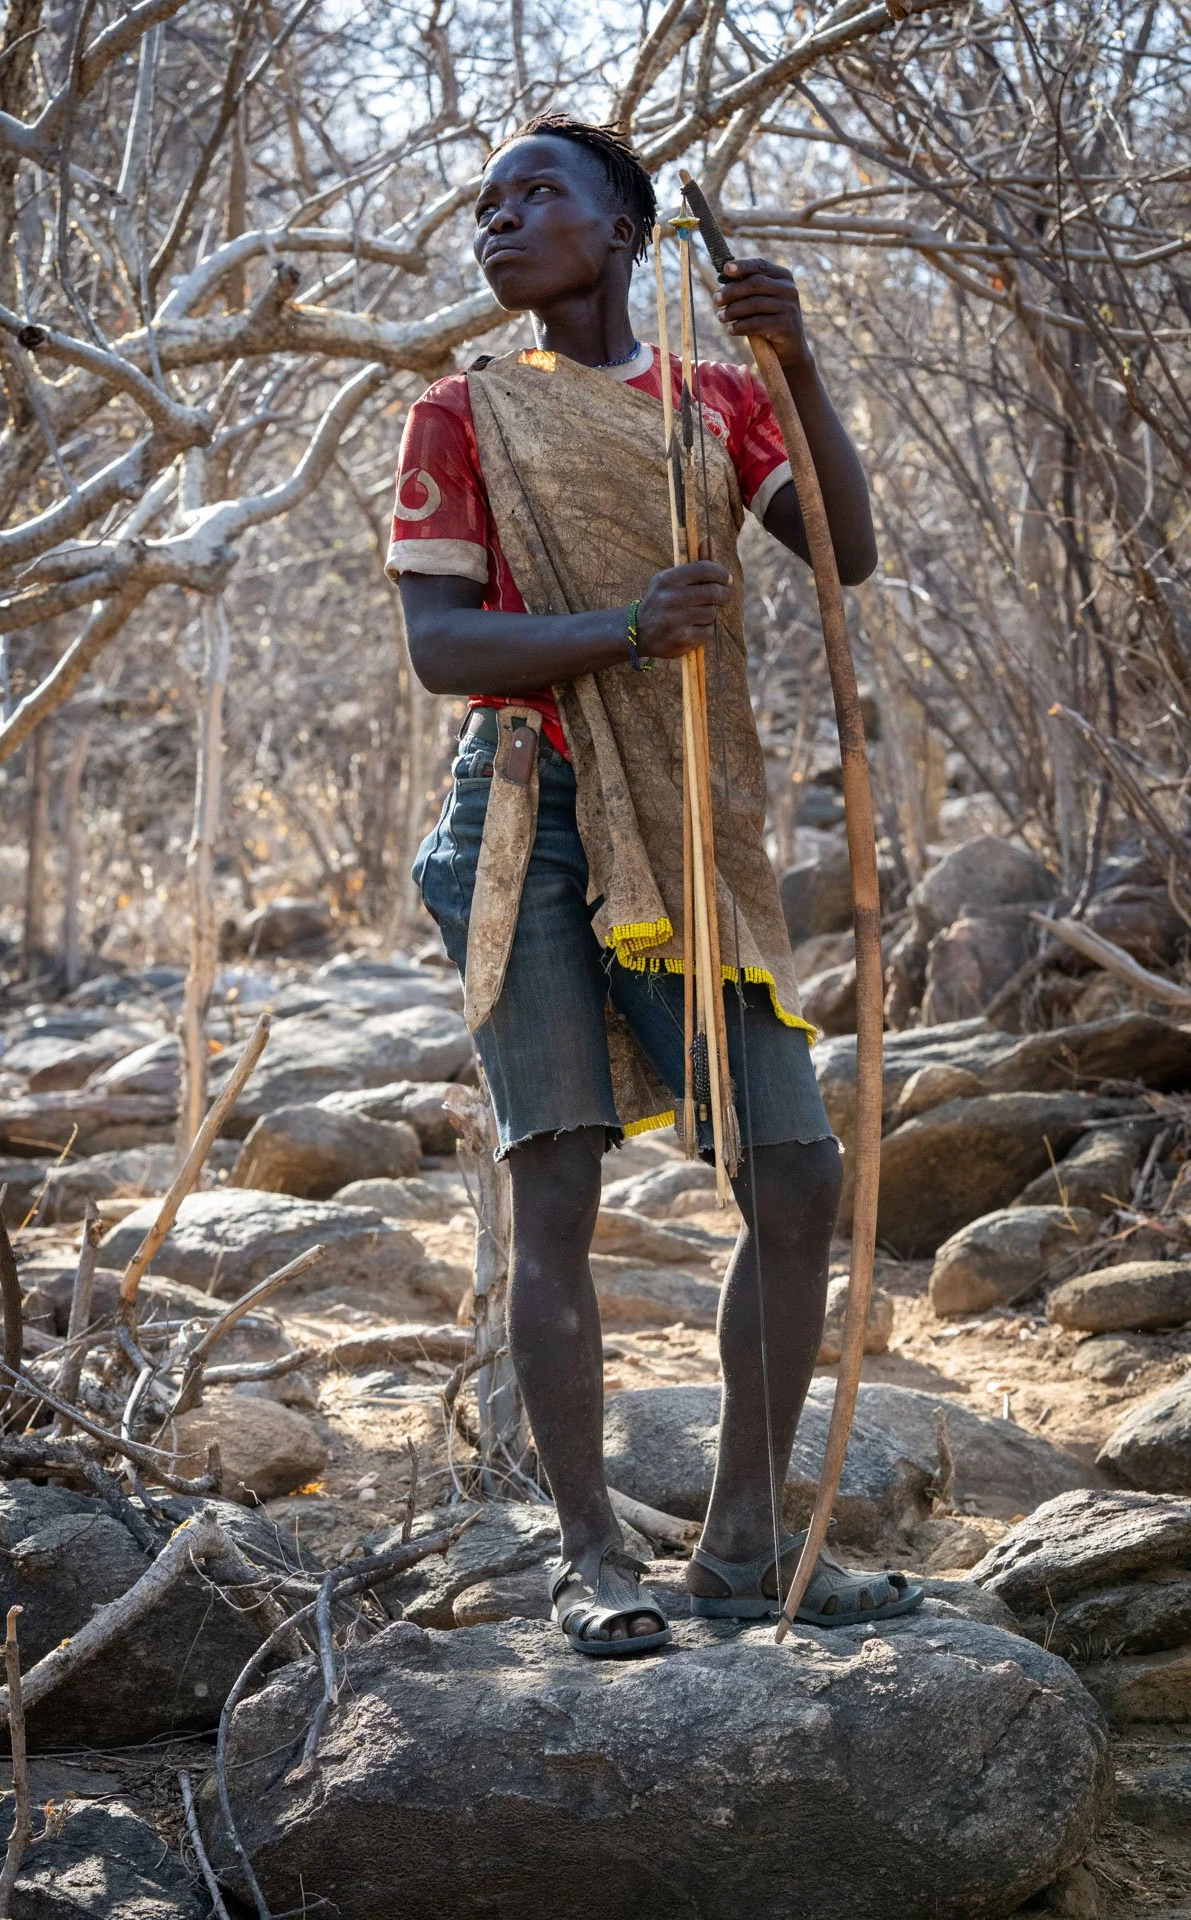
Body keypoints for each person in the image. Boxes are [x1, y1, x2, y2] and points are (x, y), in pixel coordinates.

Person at [389, 115, 921, 1655]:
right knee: (556, 1180)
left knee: (797, 1169)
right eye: (483, 204)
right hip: (529, 824)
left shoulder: (716, 396)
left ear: (626, 230)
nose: (498, 220)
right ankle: (589, 1556)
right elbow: (441, 650)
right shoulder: (460, 412)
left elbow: (846, 555)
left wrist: (798, 362)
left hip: (692, 820)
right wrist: (630, 628)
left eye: (535, 193)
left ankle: (748, 1546)